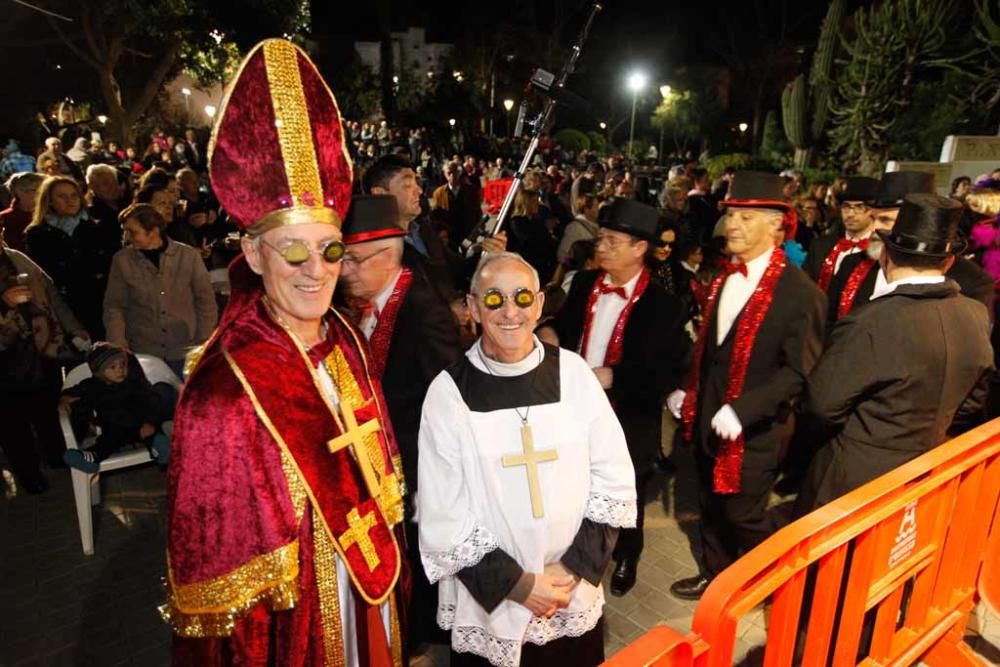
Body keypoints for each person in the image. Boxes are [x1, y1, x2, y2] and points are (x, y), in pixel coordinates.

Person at [162, 39, 407, 666]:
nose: (314, 271)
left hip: (366, 589)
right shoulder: (222, 387)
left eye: (329, 251)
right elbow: (218, 575)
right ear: (251, 255)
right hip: (290, 619)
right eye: (292, 251)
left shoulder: (347, 339)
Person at [418, 252, 637, 667]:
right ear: (472, 308)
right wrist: (519, 586)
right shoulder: (448, 394)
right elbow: (444, 512)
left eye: (522, 298)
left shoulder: (574, 375)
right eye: (494, 299)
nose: (510, 312)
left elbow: (614, 479)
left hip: (569, 590)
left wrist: (570, 571)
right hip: (494, 598)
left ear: (539, 305)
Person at [666, 171, 826, 600]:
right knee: (710, 508)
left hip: (755, 432)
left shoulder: (801, 295)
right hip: (707, 418)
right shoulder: (723, 277)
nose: (733, 225)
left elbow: (799, 373)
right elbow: (710, 348)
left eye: (747, 218)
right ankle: (718, 580)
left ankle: (769, 585)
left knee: (744, 515)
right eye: (731, 215)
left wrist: (744, 409)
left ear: (778, 224)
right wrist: (689, 386)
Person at [794, 194, 994, 515]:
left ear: (885, 255)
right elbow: (974, 397)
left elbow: (821, 406)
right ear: (949, 261)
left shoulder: (871, 320)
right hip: (927, 474)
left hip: (854, 482)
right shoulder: (976, 314)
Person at [539, 197, 690, 596]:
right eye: (601, 238)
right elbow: (565, 324)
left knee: (626, 492)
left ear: (639, 248)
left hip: (627, 418)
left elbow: (666, 372)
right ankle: (574, 549)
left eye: (610, 241)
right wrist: (550, 330)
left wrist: (613, 377)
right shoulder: (586, 283)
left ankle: (627, 554)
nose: (600, 247)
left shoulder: (665, 306)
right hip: (573, 411)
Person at [338, 194, 462, 650]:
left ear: (389, 254)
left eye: (353, 259)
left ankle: (416, 632)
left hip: (412, 459)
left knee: (413, 548)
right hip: (373, 456)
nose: (343, 270)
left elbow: (448, 398)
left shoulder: (423, 310)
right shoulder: (355, 304)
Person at [828, 171, 994, 329]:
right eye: (874, 219)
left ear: (915, 225)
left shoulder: (972, 282)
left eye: (885, 220)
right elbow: (829, 325)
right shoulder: (852, 264)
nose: (875, 228)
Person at [0, 234, 86, 493]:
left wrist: (73, 328)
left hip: (41, 347)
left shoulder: (17, 258)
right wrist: (4, 303)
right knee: (11, 420)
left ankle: (56, 455)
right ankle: (28, 473)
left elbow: (51, 294)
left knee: (46, 407)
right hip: (4, 355)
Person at [103, 203, 216, 377]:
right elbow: (114, 306)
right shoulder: (122, 261)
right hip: (144, 351)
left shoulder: (188, 256)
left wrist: (203, 342)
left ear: (153, 231)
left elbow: (206, 301)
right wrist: (118, 344)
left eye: (132, 232)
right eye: (124, 231)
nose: (126, 237)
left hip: (185, 348)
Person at [60, 343, 175, 473]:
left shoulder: (133, 383)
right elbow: (73, 391)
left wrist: (149, 422)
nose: (120, 370)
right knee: (107, 443)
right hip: (113, 429)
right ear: (99, 371)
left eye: (122, 365)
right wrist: (65, 397)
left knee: (153, 435)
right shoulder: (92, 386)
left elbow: (148, 402)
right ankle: (91, 457)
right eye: (113, 367)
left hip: (139, 425)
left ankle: (162, 451)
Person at [24, 175, 106, 337]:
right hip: (63, 307)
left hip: (100, 304)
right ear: (49, 201)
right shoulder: (37, 234)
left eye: (74, 195)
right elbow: (41, 277)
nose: (70, 200)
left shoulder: (95, 228)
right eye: (62, 196)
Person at [802, 176, 879, 291]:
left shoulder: (881, 252)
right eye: (846, 206)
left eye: (860, 207)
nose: (851, 214)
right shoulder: (820, 245)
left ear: (873, 210)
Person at [1, 172, 44, 253]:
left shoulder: (49, 215)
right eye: (37, 190)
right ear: (20, 192)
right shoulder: (5, 218)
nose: (42, 194)